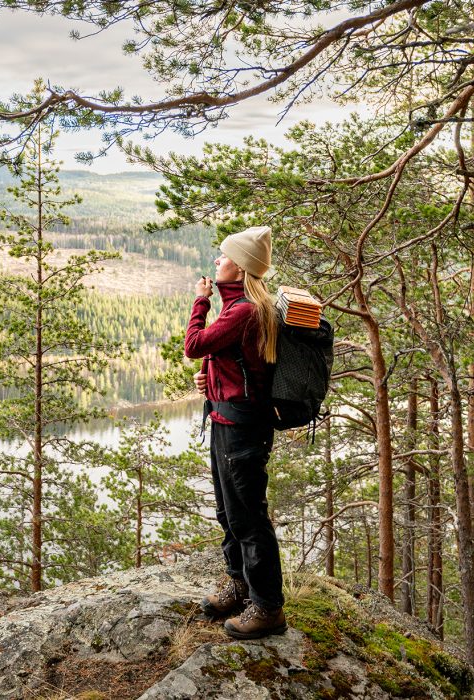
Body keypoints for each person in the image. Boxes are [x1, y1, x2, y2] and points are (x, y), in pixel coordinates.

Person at [184, 225, 287, 640]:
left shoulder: (242, 309)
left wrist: (200, 300)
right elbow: (235, 362)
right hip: (228, 420)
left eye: (224, 256)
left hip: (242, 429)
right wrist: (209, 379)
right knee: (229, 513)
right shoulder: (240, 308)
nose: (217, 261)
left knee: (248, 518)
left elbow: (194, 343)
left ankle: (268, 607)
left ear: (241, 268)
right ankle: (240, 584)